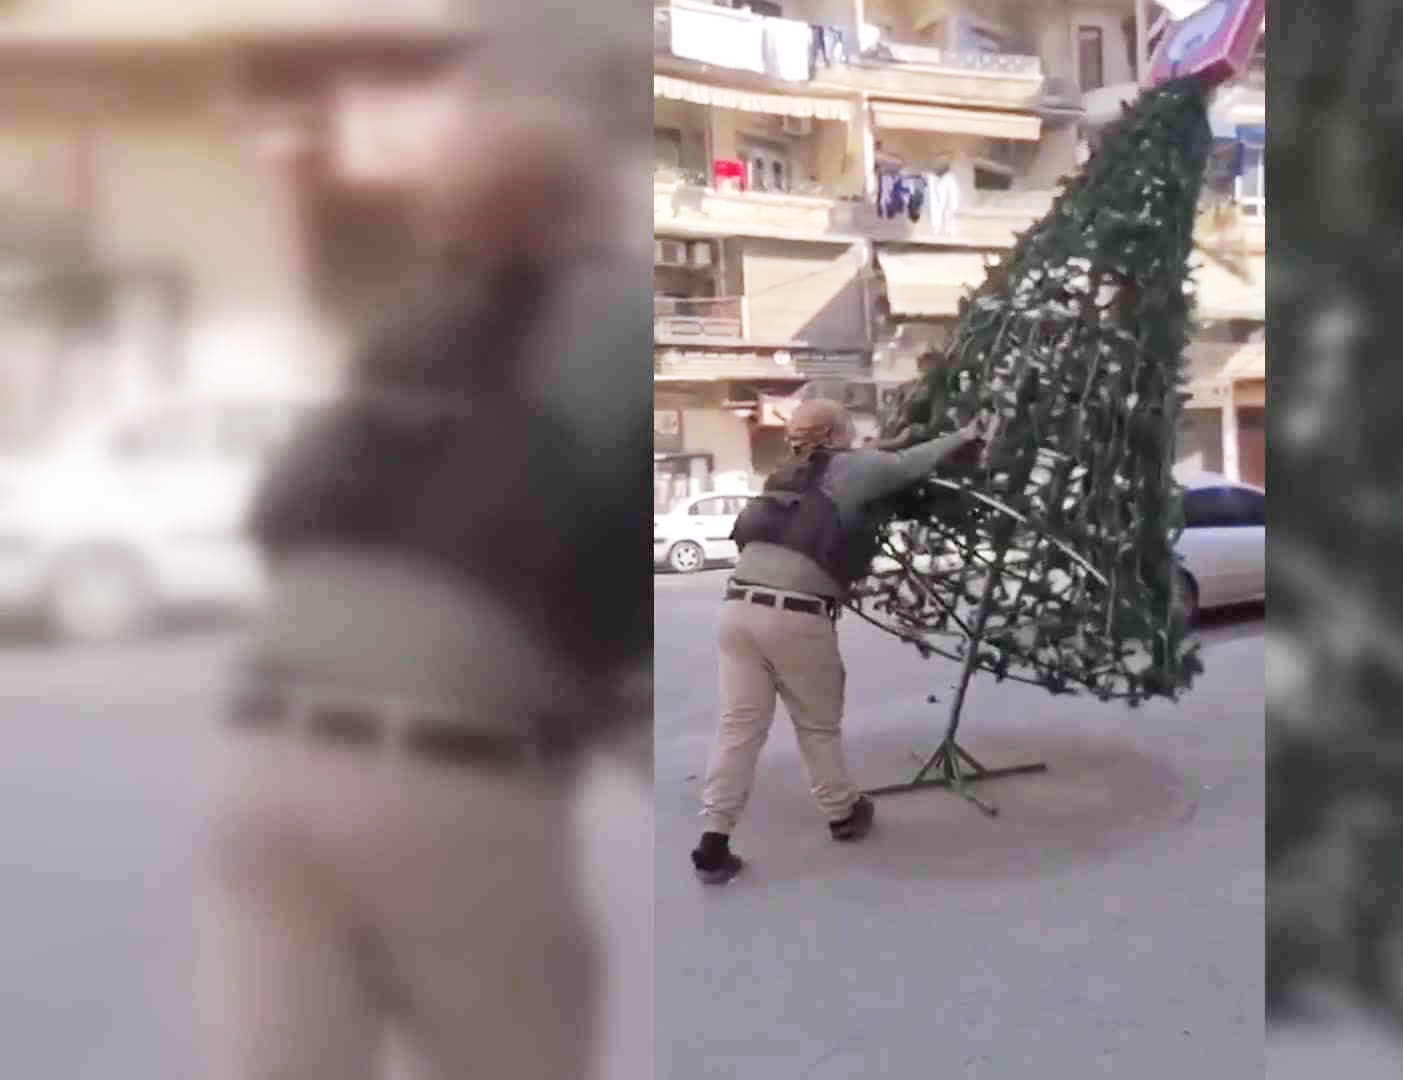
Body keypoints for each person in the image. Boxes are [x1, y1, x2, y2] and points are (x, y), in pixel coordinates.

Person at [195, 95, 651, 1080]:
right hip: (450, 775)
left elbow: (287, 521)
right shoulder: (612, 321)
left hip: (264, 764)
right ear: (577, 206)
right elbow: (613, 570)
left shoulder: (405, 335)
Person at [692, 398, 999, 883]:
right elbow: (905, 464)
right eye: (849, 430)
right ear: (836, 434)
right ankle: (842, 813)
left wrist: (881, 445)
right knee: (817, 727)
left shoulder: (784, 475)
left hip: (736, 612)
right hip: (795, 617)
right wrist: (964, 436)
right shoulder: (850, 470)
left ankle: (714, 840)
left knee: (738, 729)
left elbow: (866, 458)